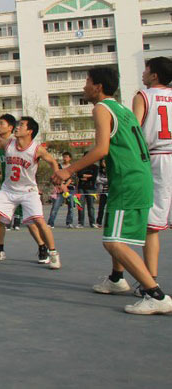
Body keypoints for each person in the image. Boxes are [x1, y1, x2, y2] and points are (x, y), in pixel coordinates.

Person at [56, 67, 171, 314]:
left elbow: (101, 150)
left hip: (129, 180)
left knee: (114, 242)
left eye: (86, 81)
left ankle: (156, 295)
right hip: (140, 177)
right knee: (114, 232)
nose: (84, 86)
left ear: (97, 87)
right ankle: (117, 279)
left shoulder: (101, 109)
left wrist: (68, 171)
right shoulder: (123, 109)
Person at [95, 57, 172, 298]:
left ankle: (149, 284)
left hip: (148, 158)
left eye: (147, 70)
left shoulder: (144, 95)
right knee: (147, 224)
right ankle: (121, 277)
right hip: (169, 155)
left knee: (141, 223)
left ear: (155, 76)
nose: (143, 73)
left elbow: (134, 131)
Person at [0, 117, 62, 270]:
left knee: (38, 222)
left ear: (29, 131)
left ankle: (53, 253)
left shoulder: (37, 149)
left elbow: (52, 161)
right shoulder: (9, 143)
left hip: (28, 191)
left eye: (21, 125)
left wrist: (57, 175)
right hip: (8, 190)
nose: (18, 127)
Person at [47, 152, 76, 228]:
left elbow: (72, 178)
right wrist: (60, 186)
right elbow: (55, 177)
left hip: (70, 189)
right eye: (64, 157)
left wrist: (65, 186)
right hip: (59, 189)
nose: (65, 158)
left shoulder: (72, 167)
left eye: (66, 157)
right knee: (55, 206)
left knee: (71, 207)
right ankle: (50, 223)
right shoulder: (59, 166)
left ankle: (69, 223)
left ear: (70, 158)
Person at [76, 152, 99, 228]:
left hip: (90, 188)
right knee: (80, 205)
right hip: (81, 188)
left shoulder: (95, 167)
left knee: (91, 206)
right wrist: (86, 176)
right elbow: (79, 175)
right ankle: (80, 223)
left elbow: (93, 177)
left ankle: (92, 222)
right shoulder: (80, 166)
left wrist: (85, 176)